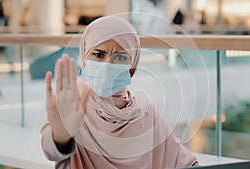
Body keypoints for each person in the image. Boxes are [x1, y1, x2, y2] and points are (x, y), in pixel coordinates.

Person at [41, 16, 198, 169]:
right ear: (83, 59)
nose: (107, 64)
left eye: (120, 56)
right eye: (99, 54)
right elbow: (51, 151)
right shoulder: (72, 106)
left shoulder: (147, 114)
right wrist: (61, 137)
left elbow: (184, 161)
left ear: (132, 67)